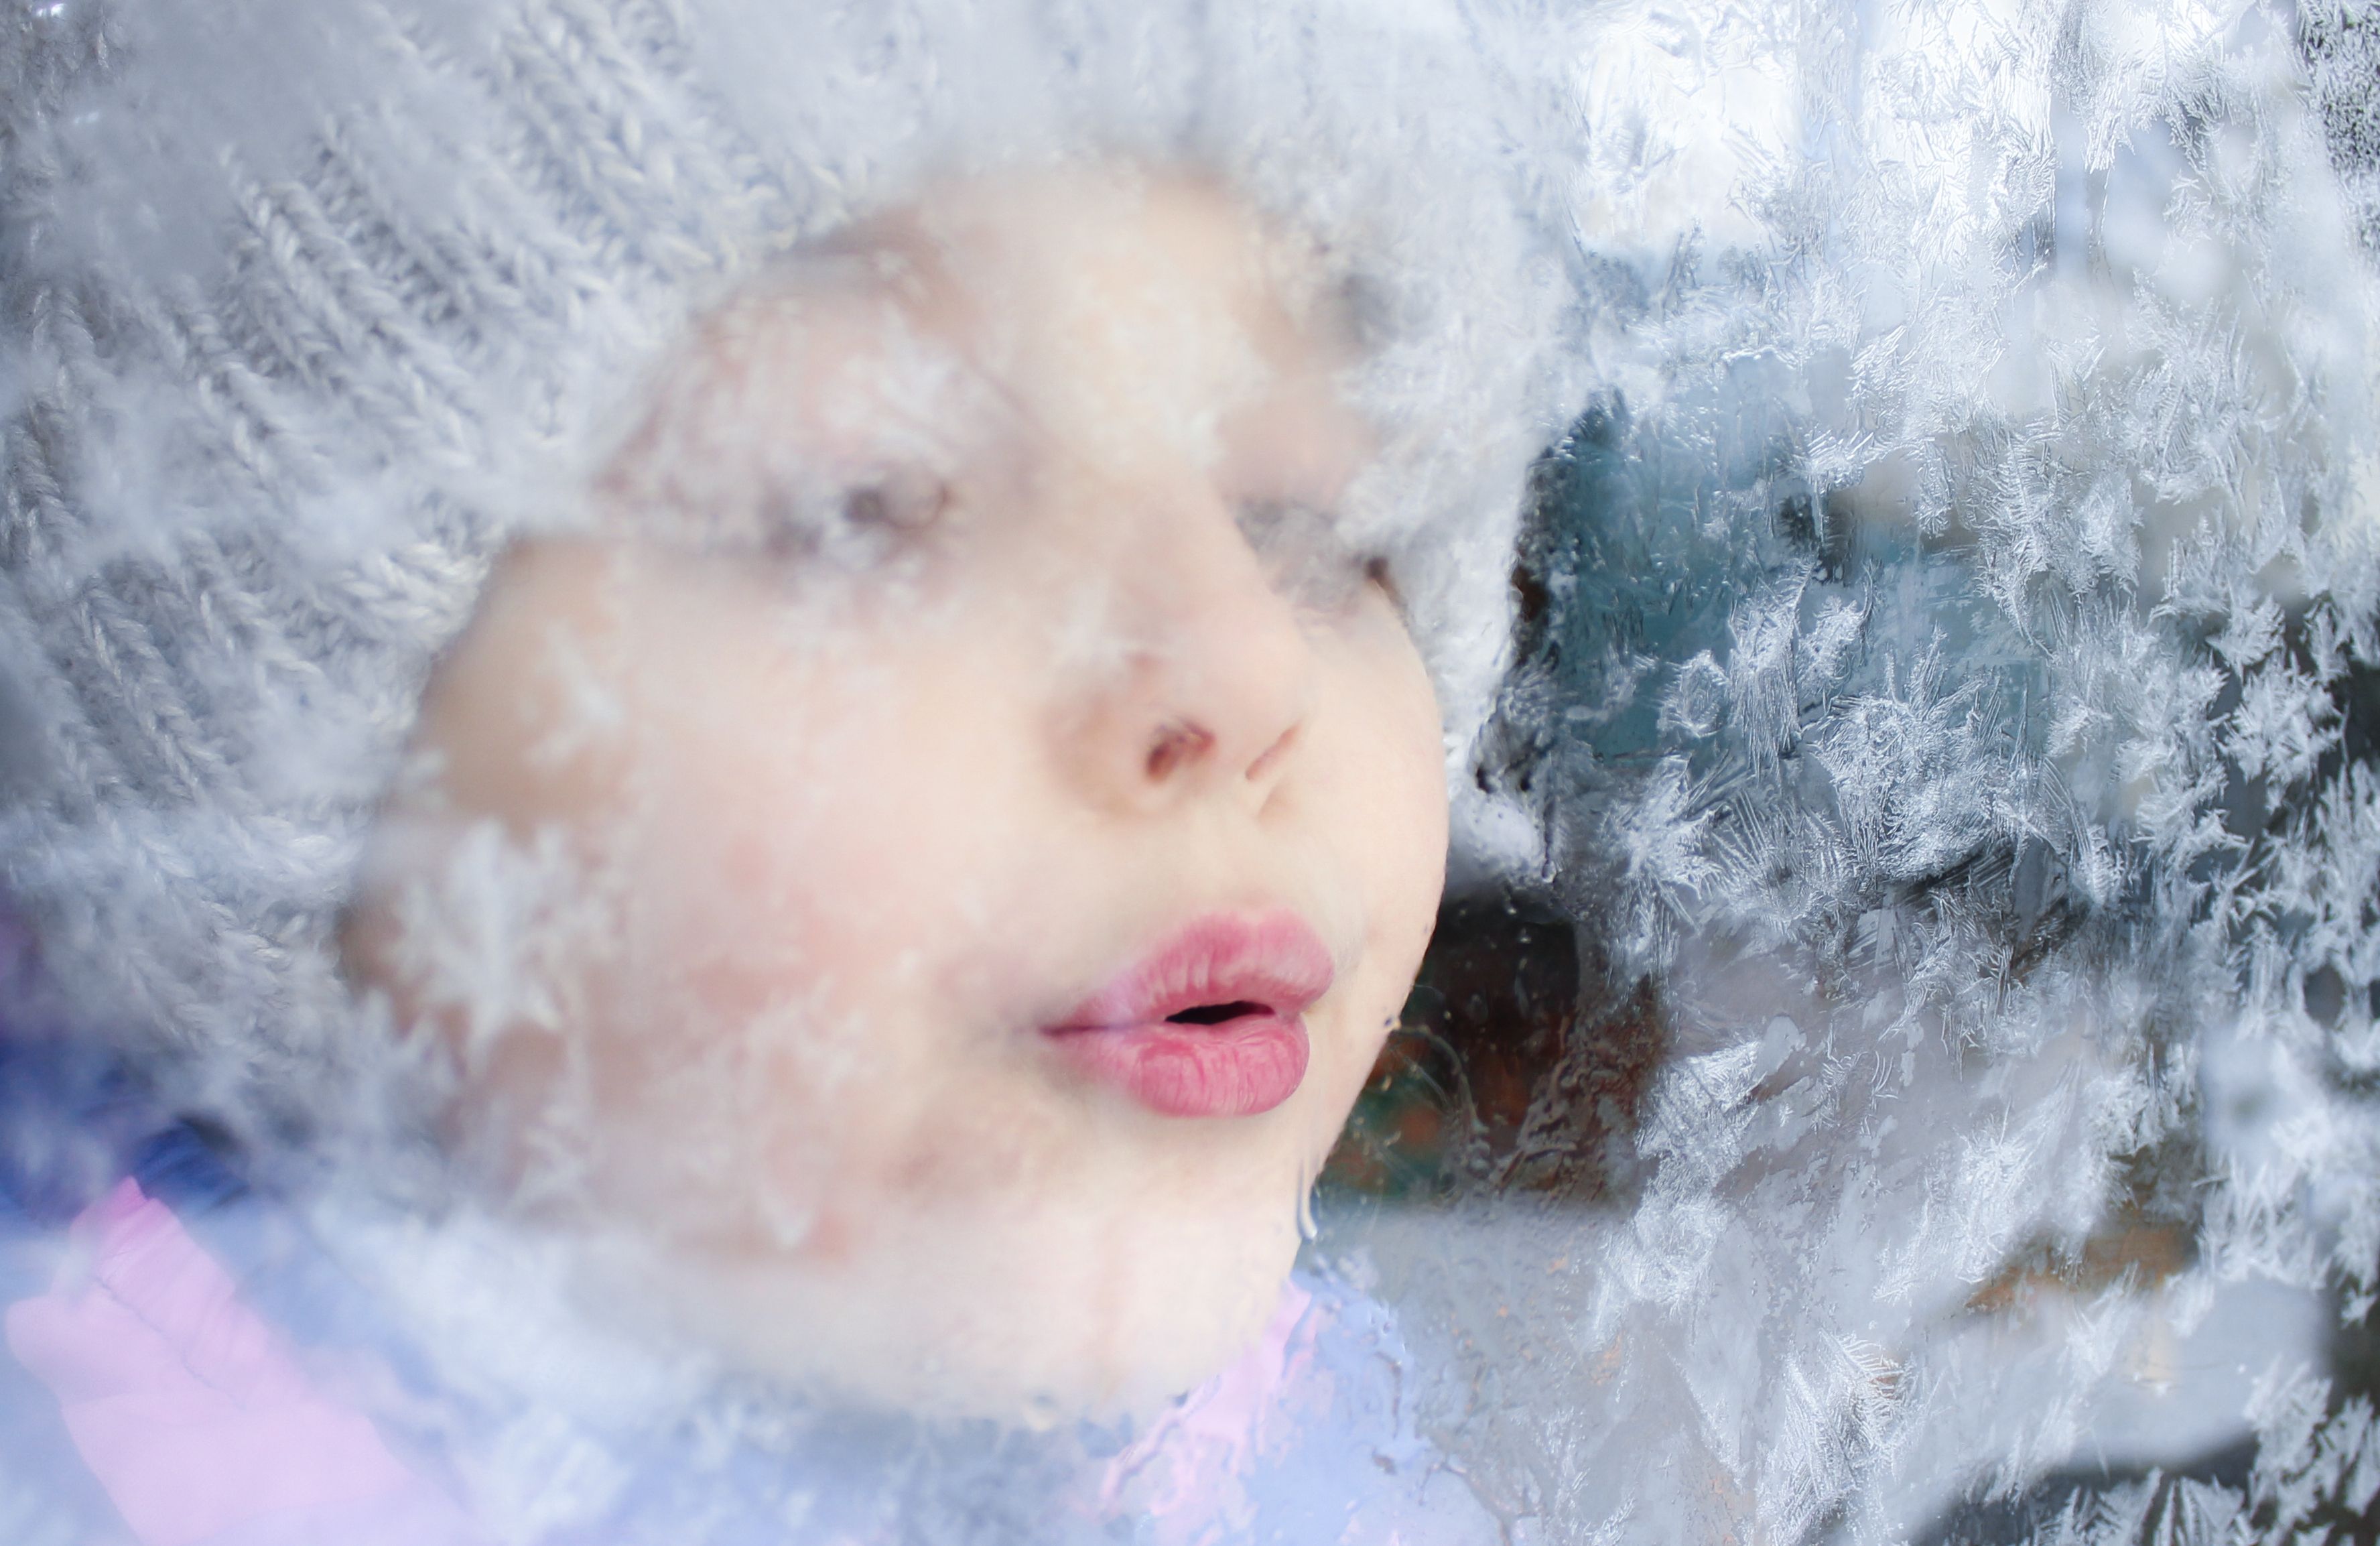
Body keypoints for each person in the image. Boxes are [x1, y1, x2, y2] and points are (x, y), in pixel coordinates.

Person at [0, 2, 1575, 1539]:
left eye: (1315, 516)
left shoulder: (1278, 1461)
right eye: (863, 502)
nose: (1243, 662)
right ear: (295, 813)